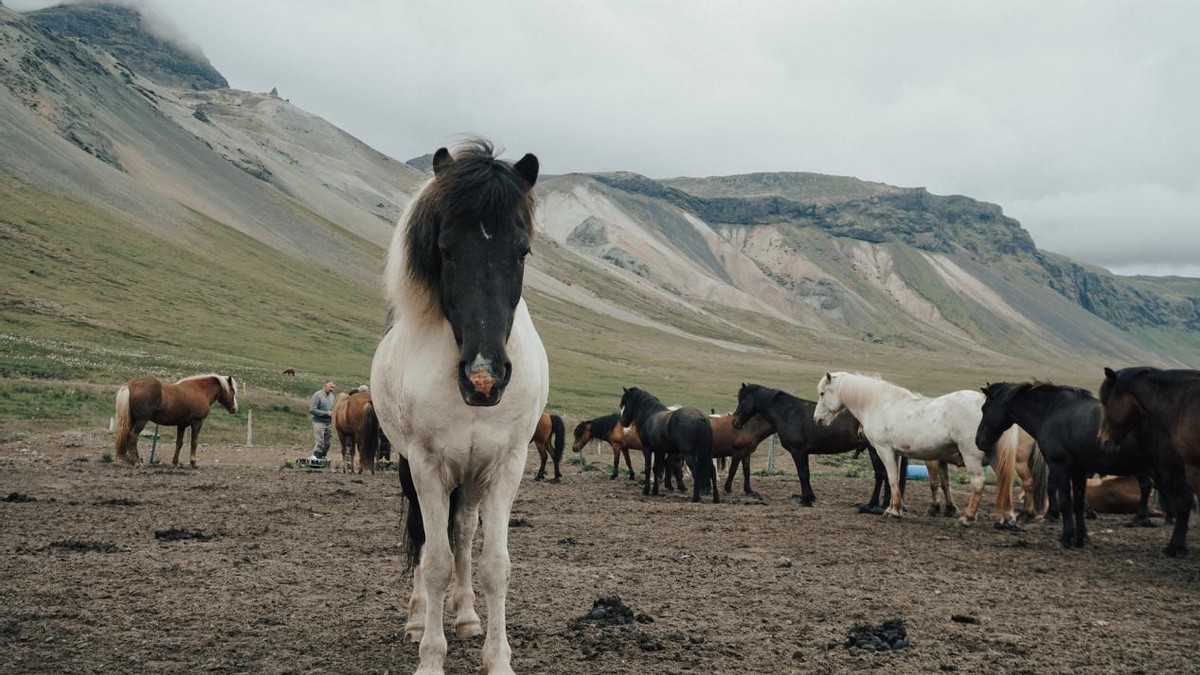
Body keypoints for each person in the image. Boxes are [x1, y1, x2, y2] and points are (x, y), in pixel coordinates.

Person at [308, 380, 336, 461]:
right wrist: (326, 413)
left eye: (333, 388)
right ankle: (315, 458)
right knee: (320, 442)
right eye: (331, 387)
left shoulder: (332, 396)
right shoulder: (317, 395)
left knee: (327, 443)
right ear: (325, 385)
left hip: (329, 422)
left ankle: (322, 459)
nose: (332, 389)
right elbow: (312, 409)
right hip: (319, 422)